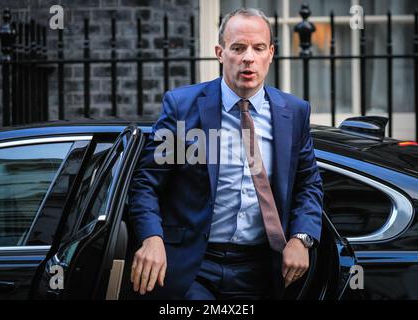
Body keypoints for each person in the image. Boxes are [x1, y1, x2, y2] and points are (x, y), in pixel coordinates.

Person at [128, 8, 323, 300]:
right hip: (193, 266)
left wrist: (301, 238)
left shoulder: (293, 113)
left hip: (261, 268)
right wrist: (152, 238)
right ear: (220, 53)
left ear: (270, 53)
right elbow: (146, 183)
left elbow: (308, 184)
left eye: (258, 48)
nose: (248, 57)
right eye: (238, 48)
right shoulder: (183, 107)